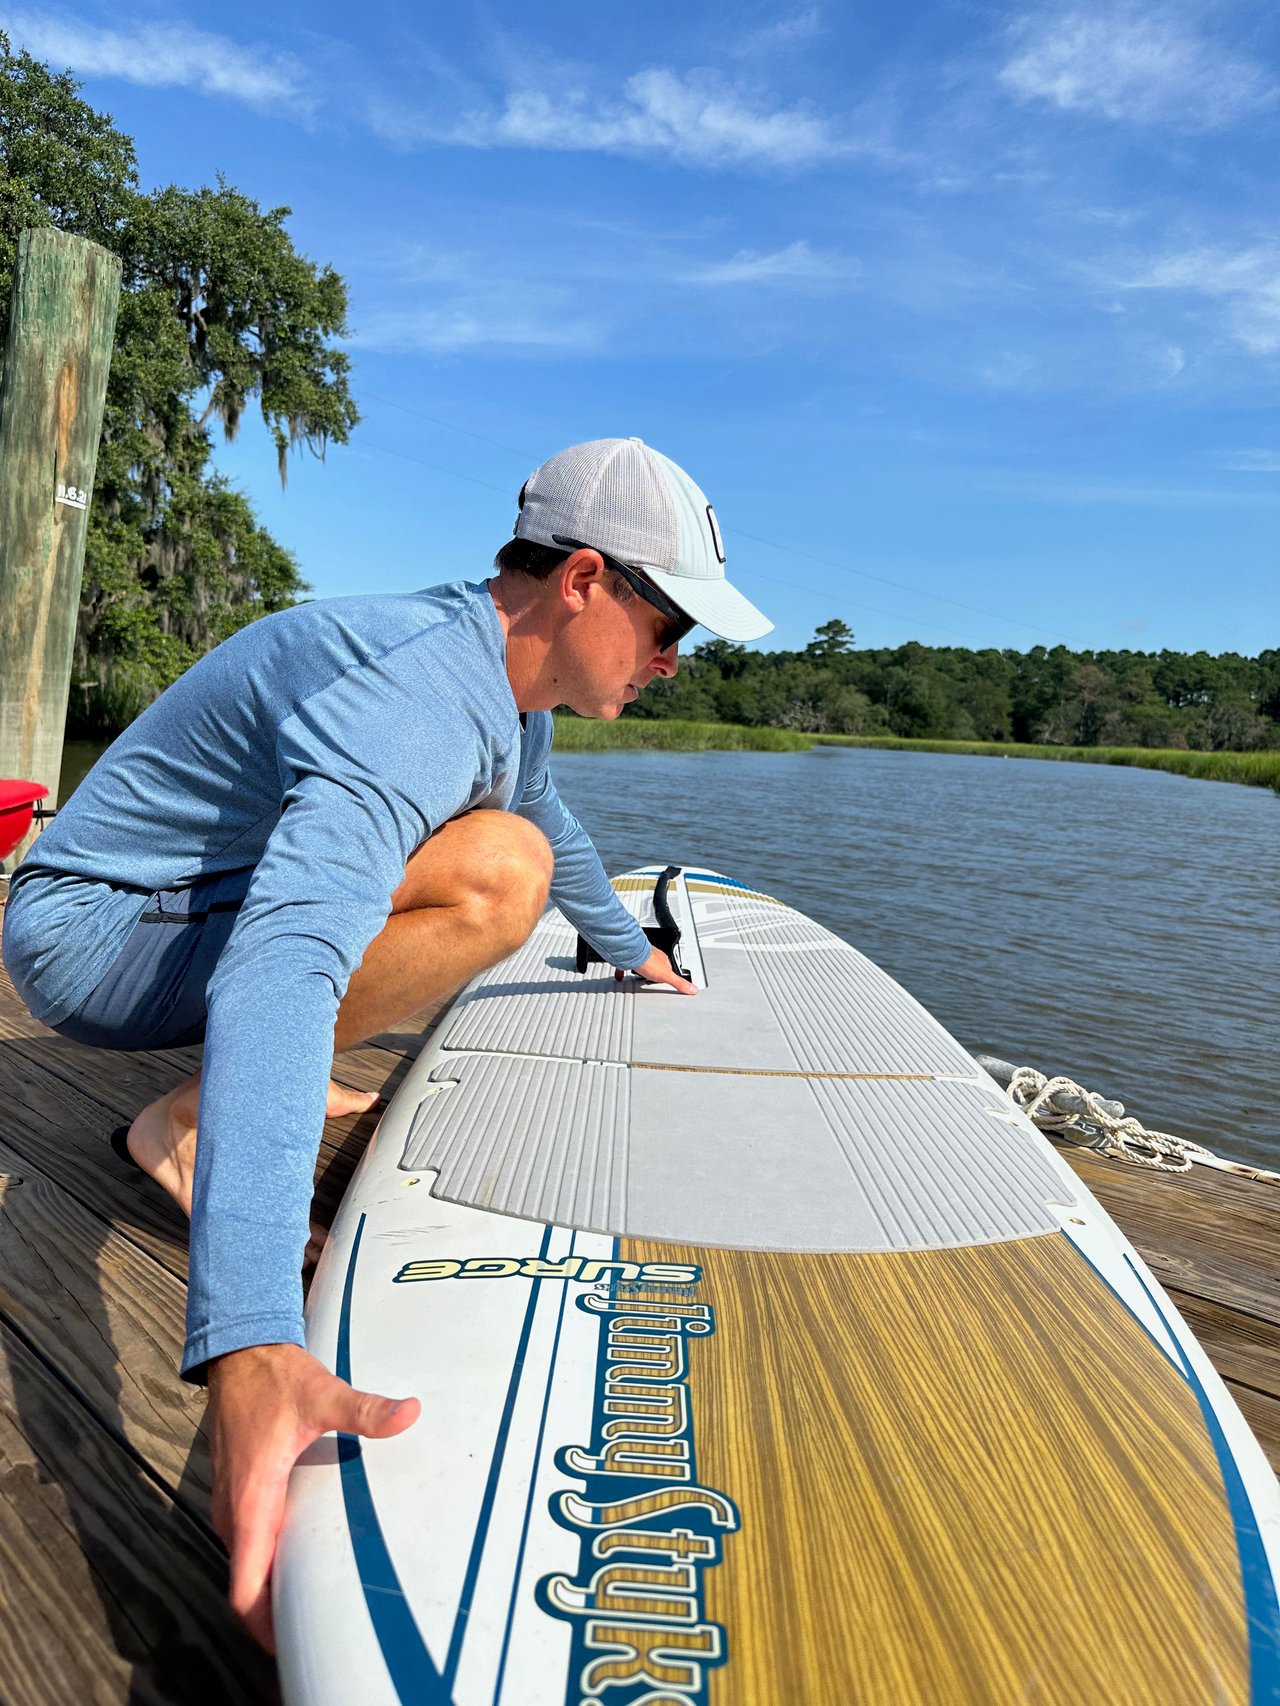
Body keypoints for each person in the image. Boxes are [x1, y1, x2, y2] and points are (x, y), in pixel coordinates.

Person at [1, 435, 772, 1650]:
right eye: (667, 622)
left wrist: (633, 953)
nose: (676, 660)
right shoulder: (417, 694)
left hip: (165, 908)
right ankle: (187, 1119)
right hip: (91, 934)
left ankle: (232, 1097)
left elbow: (549, 818)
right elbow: (286, 958)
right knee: (490, 874)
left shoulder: (497, 686)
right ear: (581, 581)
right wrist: (252, 1338)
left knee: (510, 842)